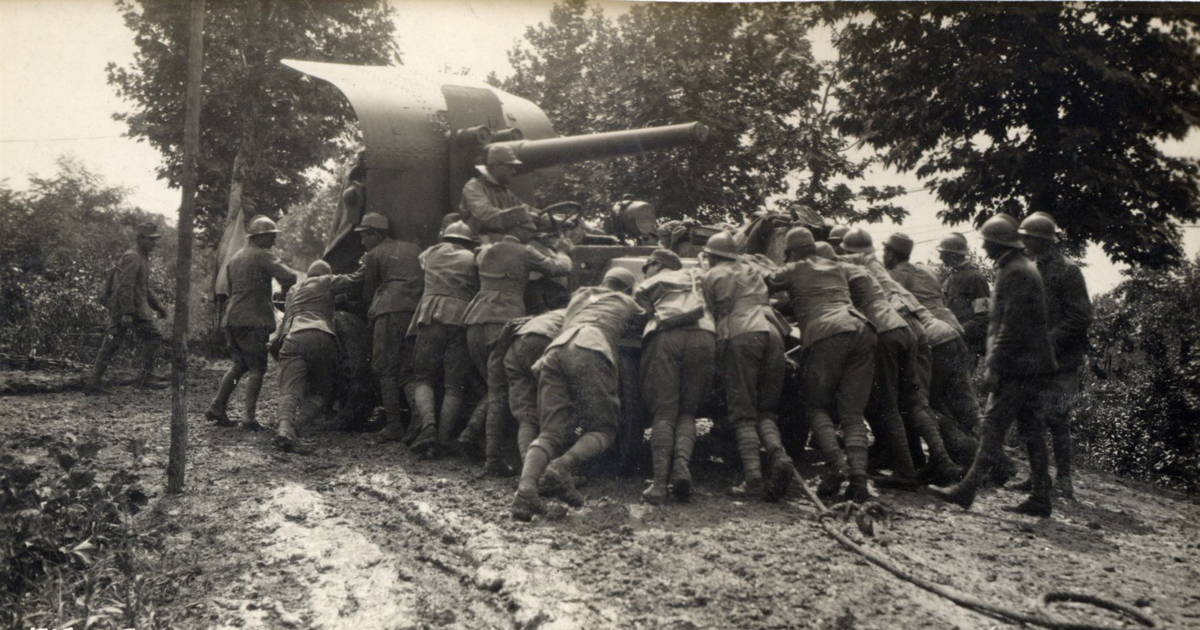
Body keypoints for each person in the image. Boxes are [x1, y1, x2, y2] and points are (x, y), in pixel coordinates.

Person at [931, 214, 1058, 517]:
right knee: (1031, 429)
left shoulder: (1015, 272)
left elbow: (1009, 326)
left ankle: (967, 489)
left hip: (1018, 364)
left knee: (992, 426)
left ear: (997, 242)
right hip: (1032, 363)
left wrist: (995, 366)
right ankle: (1041, 496)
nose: (983, 247)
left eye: (987, 241)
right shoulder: (1018, 268)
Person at [512, 268, 642, 520]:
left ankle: (525, 492)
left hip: (555, 350)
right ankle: (562, 467)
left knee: (550, 432)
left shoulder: (580, 295)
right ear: (627, 289)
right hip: (591, 348)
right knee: (603, 430)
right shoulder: (627, 300)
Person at [459, 210, 573, 475]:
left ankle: (472, 435)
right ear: (517, 228)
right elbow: (560, 268)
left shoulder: (484, 251)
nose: (530, 234)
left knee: (493, 385)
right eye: (528, 229)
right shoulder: (524, 251)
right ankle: (491, 455)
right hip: (503, 320)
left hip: (475, 319)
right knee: (500, 388)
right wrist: (563, 250)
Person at [768, 228, 874, 502]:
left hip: (827, 332)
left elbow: (767, 281)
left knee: (815, 405)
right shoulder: (834, 264)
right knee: (852, 412)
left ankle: (837, 466)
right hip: (861, 328)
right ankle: (859, 480)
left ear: (790, 251)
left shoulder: (794, 267)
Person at [702, 232, 794, 502]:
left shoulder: (711, 276)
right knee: (766, 409)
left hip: (741, 334)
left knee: (743, 412)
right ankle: (778, 456)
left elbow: (709, 313)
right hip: (773, 330)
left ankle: (753, 478)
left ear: (712, 256)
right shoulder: (752, 268)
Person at [1014, 212, 1092, 500]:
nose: (1023, 242)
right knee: (1029, 416)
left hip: (1063, 361)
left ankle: (1065, 479)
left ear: (1040, 240)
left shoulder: (1068, 271)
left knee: (1058, 418)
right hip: (1033, 361)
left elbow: (1080, 316)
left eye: (1027, 238)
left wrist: (1048, 341)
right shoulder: (1031, 268)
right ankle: (1037, 476)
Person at [634, 249, 716, 504]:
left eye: (646, 265)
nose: (645, 270)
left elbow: (635, 314)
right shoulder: (697, 277)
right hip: (704, 337)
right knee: (687, 412)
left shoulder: (648, 283)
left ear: (657, 264)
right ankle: (681, 467)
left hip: (666, 338)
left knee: (664, 413)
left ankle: (659, 485)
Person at [206, 216, 300, 430]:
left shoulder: (236, 257)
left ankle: (217, 405)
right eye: (272, 237)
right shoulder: (262, 255)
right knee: (258, 368)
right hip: (252, 320)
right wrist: (283, 295)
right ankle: (248, 418)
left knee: (239, 365)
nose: (274, 242)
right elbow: (289, 277)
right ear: (262, 236)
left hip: (232, 318)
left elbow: (230, 289)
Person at [271, 260, 362, 451]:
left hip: (292, 336)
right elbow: (355, 279)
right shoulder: (326, 281)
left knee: (289, 390)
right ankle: (296, 427)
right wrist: (368, 264)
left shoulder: (294, 290)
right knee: (320, 393)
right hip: (320, 335)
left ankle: (284, 427)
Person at [353, 212, 426, 444]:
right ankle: (422, 421)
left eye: (365, 236)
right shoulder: (414, 249)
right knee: (407, 370)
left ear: (376, 234)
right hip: (414, 311)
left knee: (384, 368)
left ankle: (394, 426)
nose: (363, 241)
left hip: (388, 310)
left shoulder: (374, 254)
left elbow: (368, 290)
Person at [410, 221, 480, 456]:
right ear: (468, 242)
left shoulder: (429, 253)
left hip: (430, 318)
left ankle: (427, 426)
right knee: (454, 385)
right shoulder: (473, 257)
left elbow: (422, 262)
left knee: (424, 378)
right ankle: (442, 438)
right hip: (460, 320)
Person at [86, 222, 169, 393]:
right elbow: (125, 286)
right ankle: (142, 378)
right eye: (150, 240)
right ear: (140, 239)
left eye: (155, 240)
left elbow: (143, 287)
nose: (153, 243)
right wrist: (127, 313)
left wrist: (158, 307)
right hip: (127, 307)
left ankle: (96, 382)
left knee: (114, 342)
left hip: (130, 306)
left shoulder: (141, 257)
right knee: (150, 338)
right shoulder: (133, 257)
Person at [504, 308, 566, 460]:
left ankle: (529, 467)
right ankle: (553, 467)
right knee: (555, 411)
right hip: (545, 340)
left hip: (517, 345)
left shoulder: (553, 314)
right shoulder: (584, 316)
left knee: (527, 415)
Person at [884, 232, 963, 334]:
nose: (883, 255)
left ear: (891, 254)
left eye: (884, 251)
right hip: (953, 325)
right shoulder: (925, 269)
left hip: (933, 331)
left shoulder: (894, 275)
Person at [459, 145, 535, 241]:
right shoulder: (473, 187)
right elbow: (485, 215)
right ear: (497, 166)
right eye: (510, 167)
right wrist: (520, 214)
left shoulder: (503, 190)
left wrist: (545, 216)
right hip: (479, 241)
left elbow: (523, 207)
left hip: (502, 240)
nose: (514, 171)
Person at [938, 233, 989, 362]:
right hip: (953, 344)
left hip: (968, 346)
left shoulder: (975, 278)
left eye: (943, 254)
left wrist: (958, 331)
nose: (940, 258)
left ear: (953, 255)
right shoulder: (950, 278)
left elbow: (983, 317)